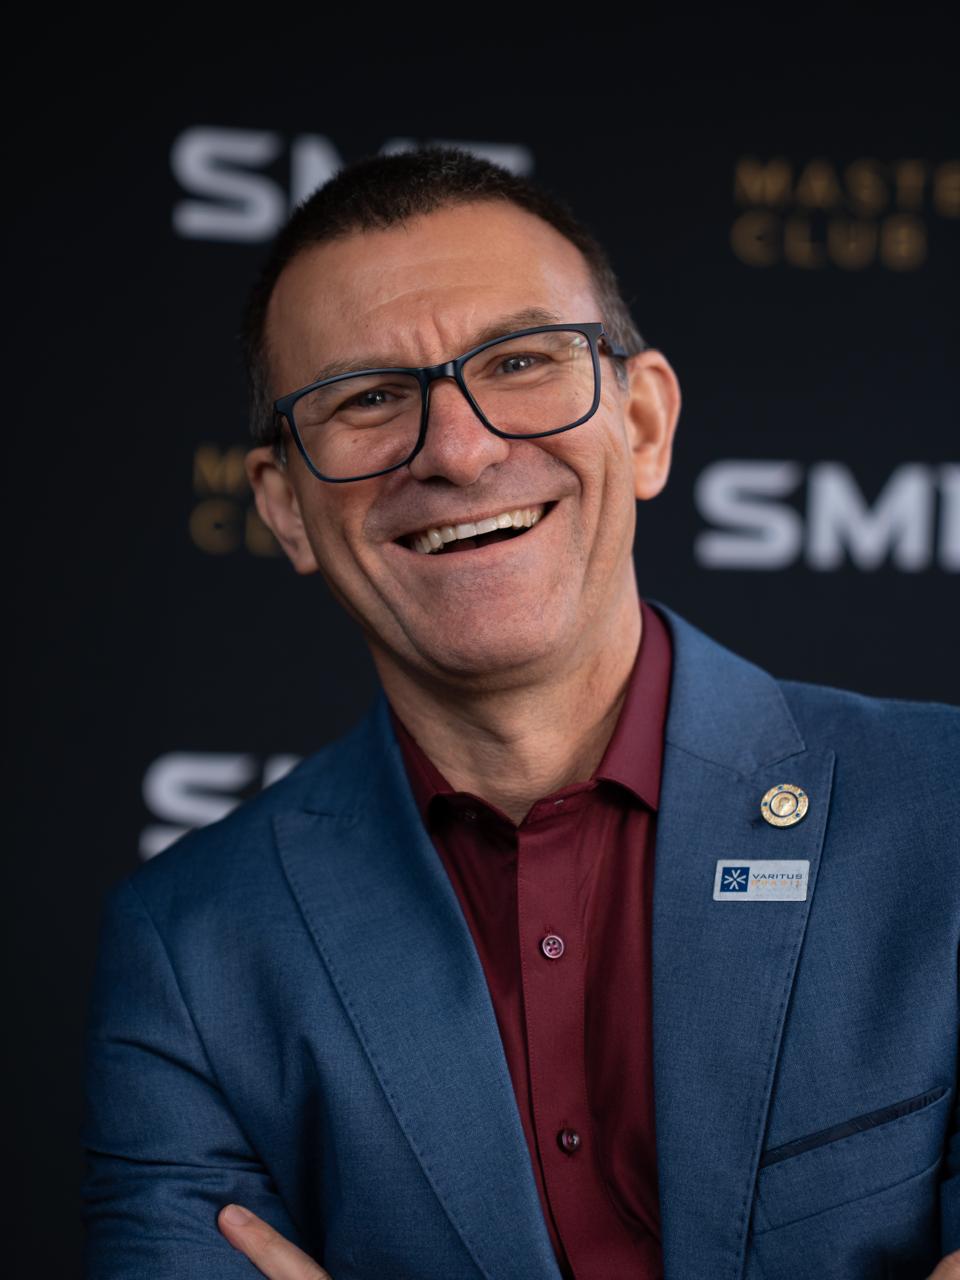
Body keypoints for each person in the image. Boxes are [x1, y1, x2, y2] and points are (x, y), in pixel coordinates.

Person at [80, 146, 960, 1280]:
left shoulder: (943, 808)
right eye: (368, 398)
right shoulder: (189, 951)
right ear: (286, 509)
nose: (458, 449)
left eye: (521, 361)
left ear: (643, 424)